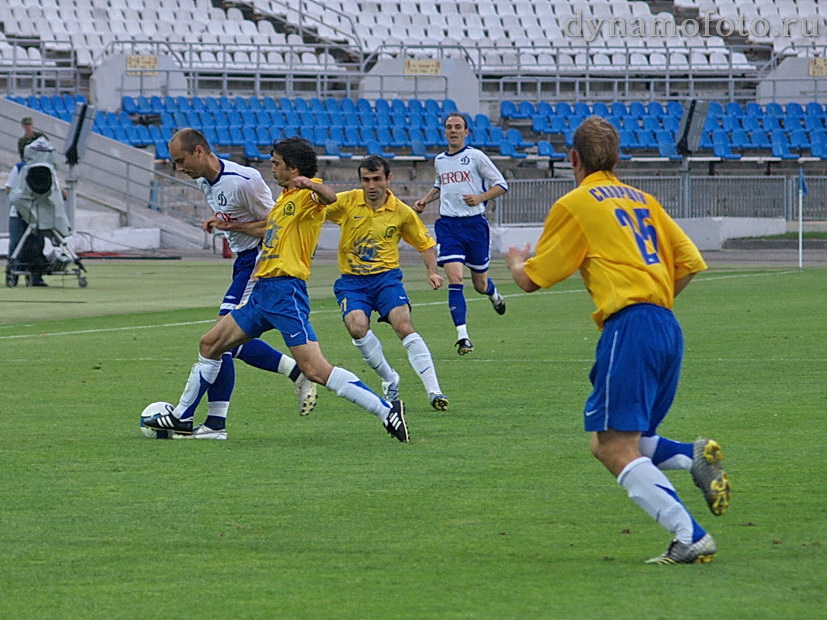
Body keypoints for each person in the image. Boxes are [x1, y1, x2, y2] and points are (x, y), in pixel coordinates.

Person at [506, 116, 732, 564]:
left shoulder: (577, 203)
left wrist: (516, 260)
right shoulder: (644, 199)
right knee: (618, 439)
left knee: (613, 447)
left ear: (573, 158)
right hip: (665, 322)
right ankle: (691, 457)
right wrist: (653, 302)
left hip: (631, 326)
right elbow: (687, 263)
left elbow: (533, 281)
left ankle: (689, 534)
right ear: (618, 157)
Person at [144, 137, 409, 442]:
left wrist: (308, 184)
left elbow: (330, 198)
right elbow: (267, 228)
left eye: (276, 163)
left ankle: (386, 410)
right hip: (262, 292)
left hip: (285, 293)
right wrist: (230, 227)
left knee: (316, 370)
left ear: (293, 168)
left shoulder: (307, 196)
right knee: (210, 344)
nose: (271, 168)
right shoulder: (284, 199)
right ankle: (183, 418)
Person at [164, 128, 317, 440]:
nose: (179, 168)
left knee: (217, 341)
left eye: (180, 160)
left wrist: (228, 225)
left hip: (261, 260)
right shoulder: (205, 180)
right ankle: (215, 425)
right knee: (226, 344)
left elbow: (277, 227)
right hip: (242, 261)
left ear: (199, 152)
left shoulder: (243, 181)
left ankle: (188, 417)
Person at [326, 155, 448, 411]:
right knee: (357, 327)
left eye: (377, 179)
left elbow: (425, 244)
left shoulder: (401, 211)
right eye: (366, 180)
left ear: (388, 179)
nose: (371, 185)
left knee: (403, 325)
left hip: (386, 278)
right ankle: (389, 378)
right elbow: (316, 212)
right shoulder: (347, 201)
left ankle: (434, 390)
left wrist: (432, 271)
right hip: (352, 280)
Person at [413, 112, 508, 356]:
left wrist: (479, 198)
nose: (453, 131)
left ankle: (493, 293)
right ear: (445, 131)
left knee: (479, 284)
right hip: (449, 226)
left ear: (466, 132)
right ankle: (463, 337)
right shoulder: (440, 160)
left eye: (457, 127)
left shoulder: (476, 157)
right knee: (455, 279)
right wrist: (425, 200)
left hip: (475, 226)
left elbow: (501, 185)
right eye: (449, 127)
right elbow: (440, 185)